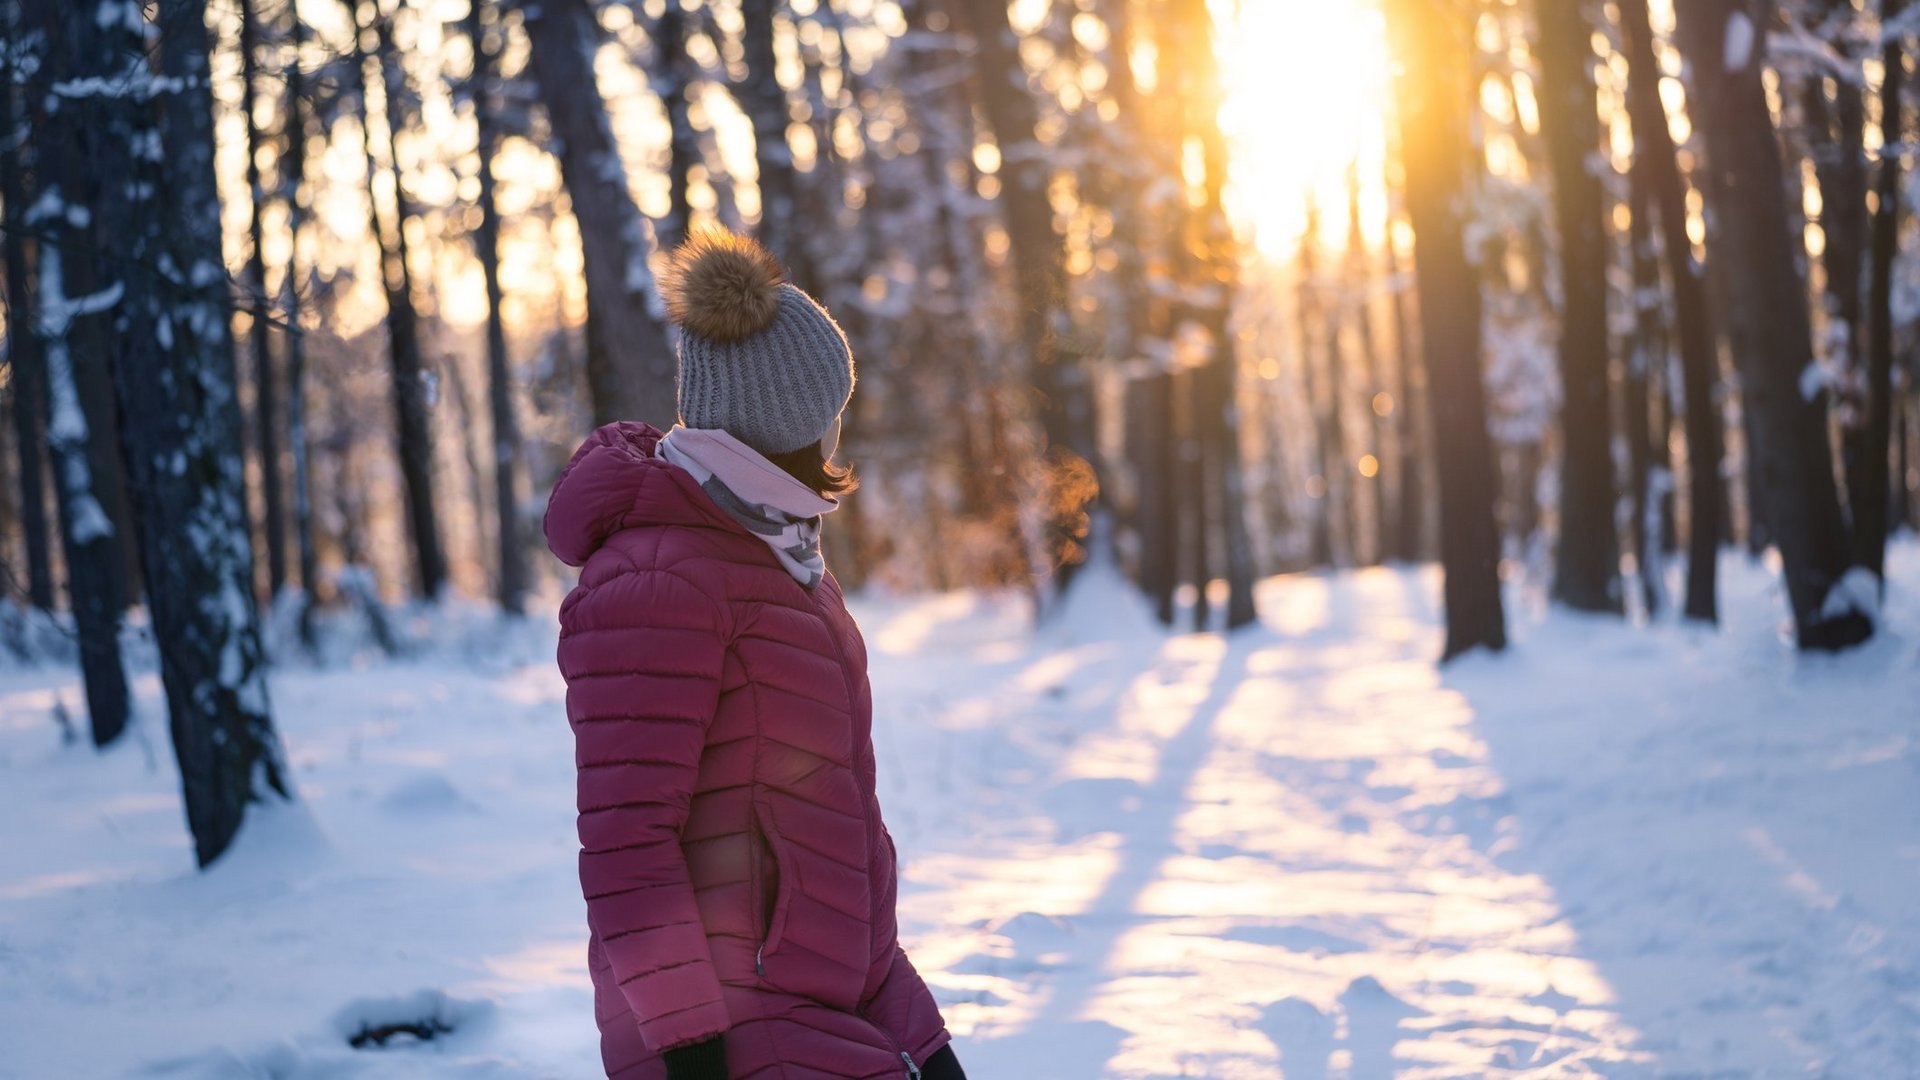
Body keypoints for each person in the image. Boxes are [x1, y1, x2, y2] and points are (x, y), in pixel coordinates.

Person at [545, 228, 966, 1080]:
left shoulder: (781, 559)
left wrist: (923, 1037)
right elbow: (628, 839)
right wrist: (692, 1047)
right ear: (790, 423)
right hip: (727, 1027)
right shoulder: (660, 578)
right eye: (829, 413)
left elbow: (833, 832)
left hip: (818, 1004)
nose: (837, 433)